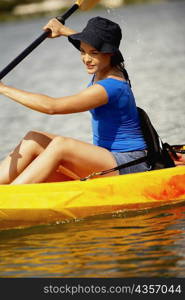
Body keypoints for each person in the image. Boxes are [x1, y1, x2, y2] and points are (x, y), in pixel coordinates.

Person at [0, 16, 150, 185]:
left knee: (62, 145)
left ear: (110, 53)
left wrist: (3, 89)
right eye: (82, 51)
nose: (86, 59)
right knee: (34, 138)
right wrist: (63, 30)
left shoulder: (111, 87)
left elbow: (52, 107)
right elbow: (87, 44)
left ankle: (9, 197)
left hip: (129, 163)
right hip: (106, 158)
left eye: (94, 53)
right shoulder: (108, 64)